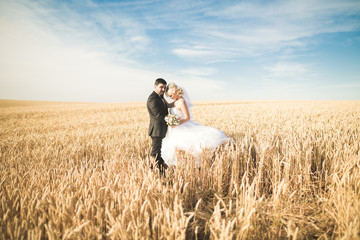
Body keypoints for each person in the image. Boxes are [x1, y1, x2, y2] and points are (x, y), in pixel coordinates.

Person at [161, 82, 232, 166]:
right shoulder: (175, 101)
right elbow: (168, 105)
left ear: (175, 92)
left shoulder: (182, 101)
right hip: (173, 128)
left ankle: (191, 164)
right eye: (169, 96)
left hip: (180, 126)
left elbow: (187, 117)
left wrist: (177, 123)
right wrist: (161, 97)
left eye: (171, 95)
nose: (170, 97)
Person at [146, 78, 174, 173]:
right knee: (155, 153)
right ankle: (152, 171)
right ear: (155, 86)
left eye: (164, 88)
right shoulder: (153, 98)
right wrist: (172, 121)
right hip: (156, 131)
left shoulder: (160, 97)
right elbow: (158, 116)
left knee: (159, 152)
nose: (163, 89)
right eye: (161, 87)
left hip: (162, 129)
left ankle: (160, 171)